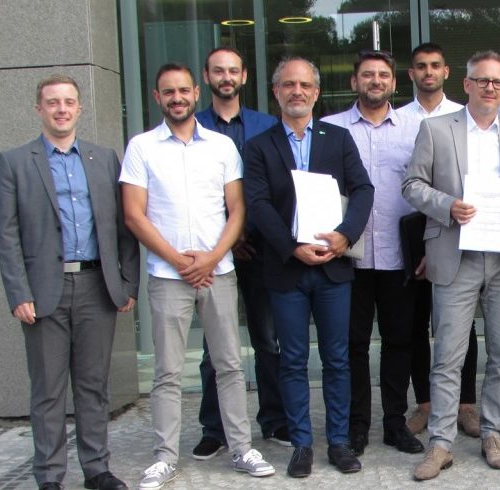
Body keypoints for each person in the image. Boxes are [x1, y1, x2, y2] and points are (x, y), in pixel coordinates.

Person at [122, 63, 275, 488]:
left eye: (183, 90)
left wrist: (211, 258)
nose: (177, 98)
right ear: (157, 97)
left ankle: (241, 448)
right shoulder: (141, 147)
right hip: (167, 275)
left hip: (218, 272)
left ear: (195, 93)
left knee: (229, 365)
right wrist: (179, 260)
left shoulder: (222, 147)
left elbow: (237, 209)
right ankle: (164, 458)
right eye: (168, 92)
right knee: (168, 372)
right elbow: (134, 215)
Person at [0, 74, 139, 490]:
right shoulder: (15, 162)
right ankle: (49, 476)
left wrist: (127, 283)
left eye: (69, 102)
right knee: (48, 391)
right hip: (43, 293)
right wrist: (18, 293)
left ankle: (97, 469)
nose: (61, 109)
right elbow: (6, 235)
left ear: (79, 108)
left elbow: (123, 227)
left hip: (96, 287)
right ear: (39, 109)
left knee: (94, 386)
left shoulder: (104, 159)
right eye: (53, 102)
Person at [403, 50, 500, 480]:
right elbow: (411, 184)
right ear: (466, 84)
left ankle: (492, 432)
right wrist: (447, 205)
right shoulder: (436, 129)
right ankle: (441, 443)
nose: (490, 88)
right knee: (448, 355)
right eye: (482, 80)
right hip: (454, 254)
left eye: (498, 82)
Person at [243, 57, 373, 477]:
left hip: (334, 268)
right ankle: (301, 444)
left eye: (304, 85)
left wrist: (345, 236)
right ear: (276, 92)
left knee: (337, 358)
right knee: (293, 360)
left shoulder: (338, 138)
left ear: (316, 93)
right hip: (287, 270)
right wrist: (291, 247)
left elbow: (364, 189)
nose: (296, 91)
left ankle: (338, 441)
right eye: (288, 85)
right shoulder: (259, 146)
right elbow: (258, 204)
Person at [321, 49, 425, 456]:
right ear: (354, 82)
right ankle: (357, 424)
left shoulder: (417, 129)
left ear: (395, 83)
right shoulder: (330, 129)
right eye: (367, 75)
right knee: (354, 345)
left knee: (400, 341)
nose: (375, 81)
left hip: (400, 256)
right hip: (348, 257)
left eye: (383, 75)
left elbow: (428, 188)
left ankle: (395, 422)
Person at [192, 46, 287, 460]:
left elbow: (280, 187)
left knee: (268, 340)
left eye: (233, 70)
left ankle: (275, 420)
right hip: (215, 253)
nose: (226, 77)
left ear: (244, 76)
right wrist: (228, 240)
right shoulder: (192, 126)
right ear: (207, 77)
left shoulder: (268, 125)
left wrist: (254, 233)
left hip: (263, 250)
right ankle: (214, 429)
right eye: (218, 71)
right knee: (214, 348)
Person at [396, 42, 481, 438]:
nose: (428, 72)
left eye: (435, 65)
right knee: (416, 321)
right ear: (411, 73)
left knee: (462, 323)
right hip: (414, 229)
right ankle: (426, 404)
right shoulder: (398, 120)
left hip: (461, 229)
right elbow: (410, 182)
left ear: (447, 72)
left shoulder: (467, 116)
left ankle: (466, 404)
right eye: (420, 66)